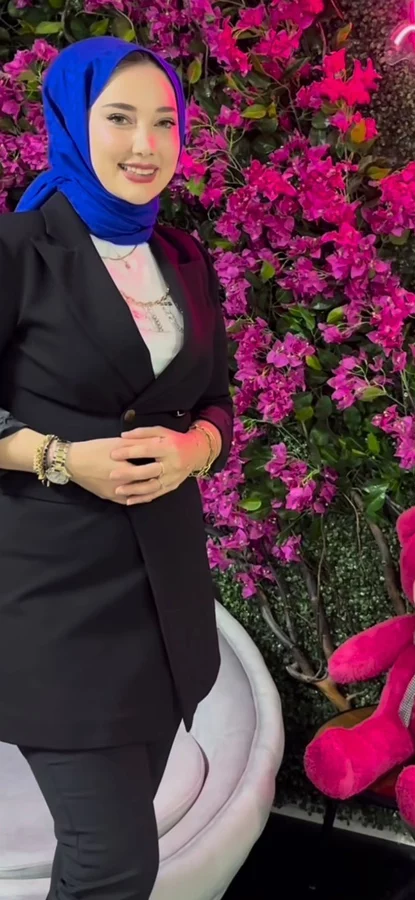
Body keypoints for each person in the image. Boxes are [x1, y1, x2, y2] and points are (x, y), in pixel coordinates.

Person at [0, 35, 233, 900]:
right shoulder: (19, 249)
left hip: (164, 606)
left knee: (103, 851)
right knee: (115, 863)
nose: (146, 145)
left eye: (165, 122)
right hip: (55, 607)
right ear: (70, 122)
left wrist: (196, 447)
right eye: (120, 119)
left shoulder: (182, 256)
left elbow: (218, 399)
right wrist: (59, 458)